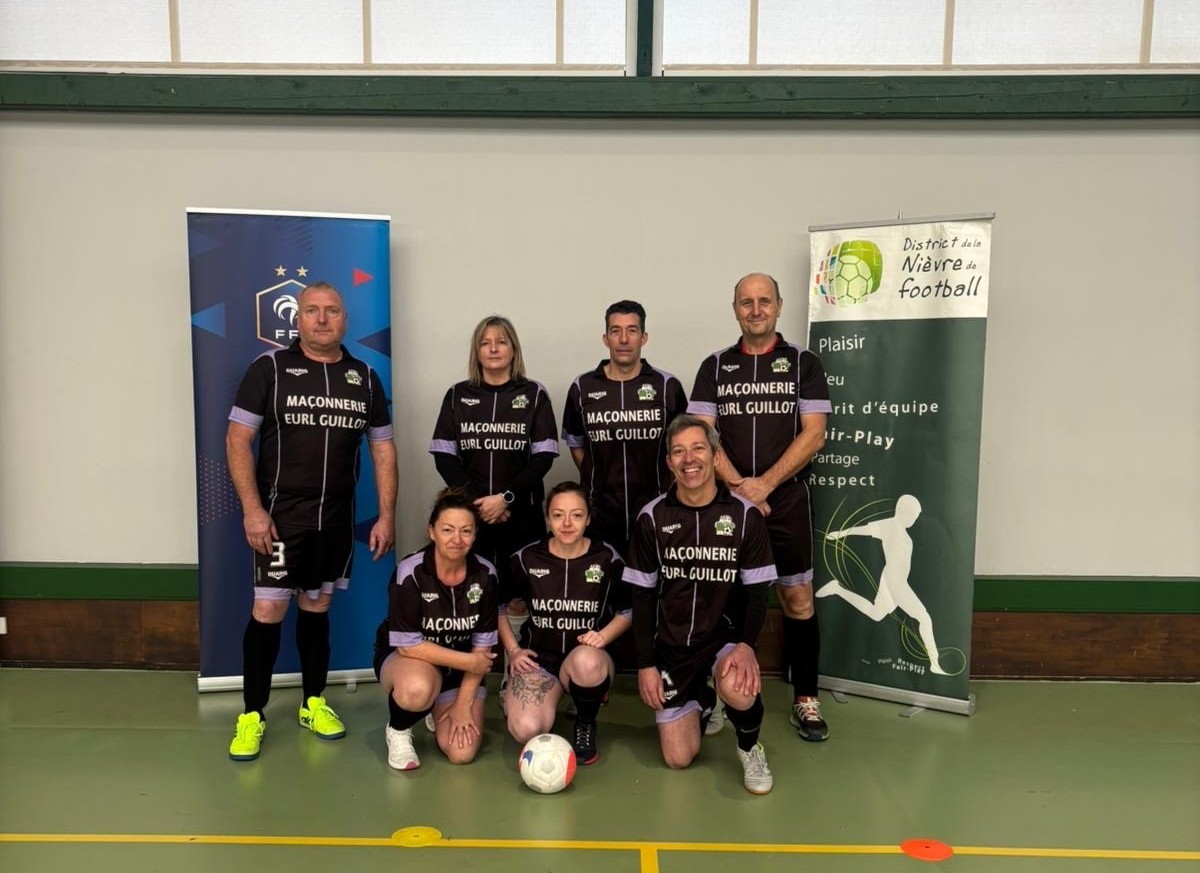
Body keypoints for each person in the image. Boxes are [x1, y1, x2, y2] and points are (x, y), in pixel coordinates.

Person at [225, 281, 397, 761]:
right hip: (281, 520)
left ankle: (313, 703)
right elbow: (237, 439)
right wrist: (253, 510)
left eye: (332, 311)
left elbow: (383, 449)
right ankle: (252, 714)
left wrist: (387, 514)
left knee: (317, 607)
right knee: (268, 611)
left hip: (337, 521)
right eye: (312, 310)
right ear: (297, 318)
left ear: (345, 319)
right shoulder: (270, 369)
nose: (322, 319)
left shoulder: (364, 377)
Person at [688, 272, 833, 742]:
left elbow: (815, 433)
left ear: (778, 306)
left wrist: (765, 485)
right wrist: (739, 487)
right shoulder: (715, 366)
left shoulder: (803, 363)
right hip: (727, 502)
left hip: (785, 499)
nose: (755, 310)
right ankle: (716, 697)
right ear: (734, 309)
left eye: (763, 301)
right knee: (720, 600)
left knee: (797, 598)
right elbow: (702, 435)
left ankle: (806, 697)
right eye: (746, 302)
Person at [625, 414, 777, 795]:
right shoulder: (651, 517)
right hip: (671, 647)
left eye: (697, 448)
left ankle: (749, 746)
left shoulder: (744, 516)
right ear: (669, 462)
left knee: (739, 685)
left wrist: (746, 645)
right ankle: (707, 699)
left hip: (723, 638)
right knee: (678, 757)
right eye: (678, 452)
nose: (688, 459)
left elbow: (757, 592)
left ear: (715, 456)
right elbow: (642, 597)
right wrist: (645, 664)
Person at [429, 315, 559, 648]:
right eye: (485, 343)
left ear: (514, 349)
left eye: (501, 342)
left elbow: (543, 457)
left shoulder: (534, 393)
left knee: (520, 594)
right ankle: (473, 663)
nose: (493, 349)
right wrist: (481, 502)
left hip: (521, 513)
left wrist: (506, 499)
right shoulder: (457, 395)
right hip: (471, 517)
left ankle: (516, 665)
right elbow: (444, 457)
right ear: (477, 351)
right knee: (474, 588)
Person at [500, 482, 631, 765]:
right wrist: (513, 650)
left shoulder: (607, 558)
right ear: (548, 519)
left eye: (577, 515)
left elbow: (629, 611)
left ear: (589, 518)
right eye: (558, 515)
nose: (567, 524)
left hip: (587, 660)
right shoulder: (526, 558)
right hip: (540, 662)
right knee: (526, 729)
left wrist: (604, 636)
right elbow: (498, 608)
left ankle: (585, 721)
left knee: (587, 662)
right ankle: (516, 688)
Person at [373, 488, 499, 770]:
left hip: (462, 672)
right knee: (417, 689)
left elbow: (482, 649)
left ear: (475, 535)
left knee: (461, 753)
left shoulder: (486, 574)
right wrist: (469, 662)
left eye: (466, 531)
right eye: (447, 530)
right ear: (431, 532)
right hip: (411, 661)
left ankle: (438, 703)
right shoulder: (411, 572)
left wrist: (463, 704)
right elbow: (408, 645)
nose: (457, 539)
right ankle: (399, 729)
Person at [561, 300, 687, 556]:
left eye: (632, 330)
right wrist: (600, 480)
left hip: (658, 509)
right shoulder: (582, 387)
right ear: (605, 338)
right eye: (616, 331)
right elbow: (576, 446)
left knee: (654, 578)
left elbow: (685, 446)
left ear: (644, 337)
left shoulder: (667, 386)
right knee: (606, 578)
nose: (624, 339)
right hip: (600, 513)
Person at [818, 494, 948, 674]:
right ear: (905, 512)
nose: (914, 520)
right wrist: (842, 533)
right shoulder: (890, 525)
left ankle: (837, 589)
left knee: (876, 613)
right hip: (895, 582)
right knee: (924, 618)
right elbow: (865, 529)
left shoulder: (900, 530)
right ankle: (934, 663)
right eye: (914, 516)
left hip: (893, 580)